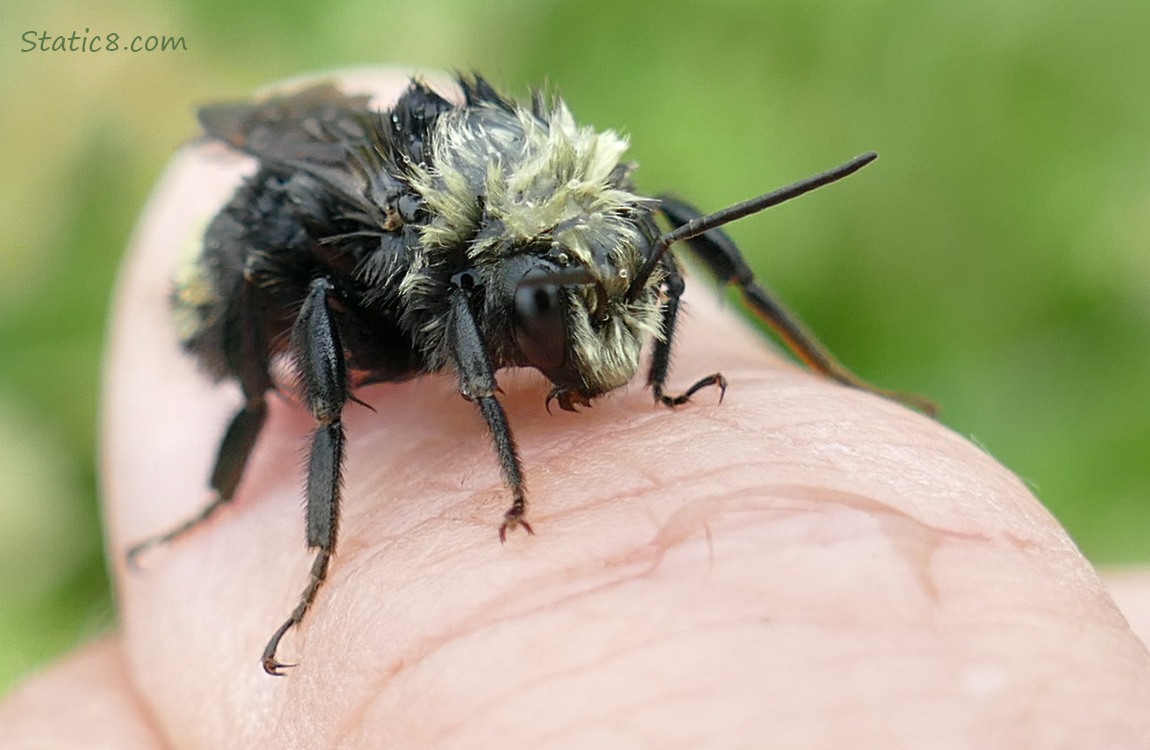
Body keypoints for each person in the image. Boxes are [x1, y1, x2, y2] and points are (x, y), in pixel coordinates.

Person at [3, 70, 1148, 747]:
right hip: (259, 271)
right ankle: (260, 515)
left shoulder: (561, 248)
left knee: (668, 221)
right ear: (502, 292)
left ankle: (831, 373)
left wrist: (752, 379)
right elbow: (367, 293)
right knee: (298, 298)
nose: (592, 360)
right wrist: (511, 481)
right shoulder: (430, 261)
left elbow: (621, 251)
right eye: (555, 314)